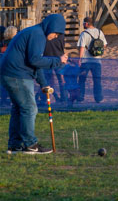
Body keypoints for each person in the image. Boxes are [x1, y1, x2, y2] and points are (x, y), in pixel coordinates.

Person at [0, 14, 68, 154]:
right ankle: (31, 145)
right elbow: (35, 60)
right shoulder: (38, 35)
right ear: (51, 27)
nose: (55, 36)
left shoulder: (35, 32)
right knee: (30, 109)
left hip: (10, 74)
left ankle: (15, 145)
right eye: (56, 33)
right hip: (17, 75)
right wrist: (58, 61)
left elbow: (34, 64)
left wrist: (43, 84)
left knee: (19, 109)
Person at [76, 17, 107, 104]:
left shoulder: (84, 34)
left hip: (86, 61)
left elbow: (82, 47)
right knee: (97, 80)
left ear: (86, 24)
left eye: (83, 23)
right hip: (97, 60)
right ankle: (98, 99)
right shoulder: (99, 32)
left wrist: (80, 59)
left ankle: (80, 97)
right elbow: (104, 45)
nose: (83, 25)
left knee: (82, 79)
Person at [0, 26, 18, 106]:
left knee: (3, 85)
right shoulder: (14, 42)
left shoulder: (3, 42)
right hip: (12, 66)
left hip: (3, 66)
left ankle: (4, 100)